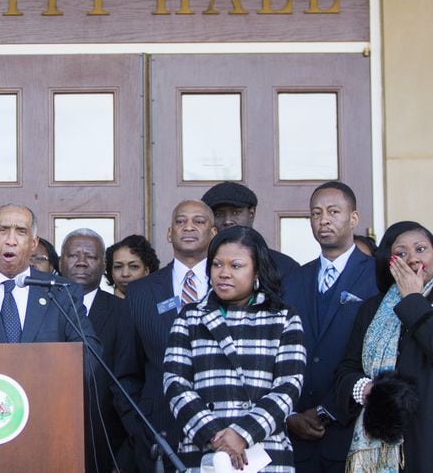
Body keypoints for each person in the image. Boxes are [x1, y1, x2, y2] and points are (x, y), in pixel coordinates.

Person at [164, 226, 306, 471]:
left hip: (264, 451)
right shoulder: (190, 317)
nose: (224, 273)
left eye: (236, 266)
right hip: (204, 451)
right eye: (217, 265)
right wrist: (216, 437)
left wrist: (242, 434)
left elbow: (289, 386)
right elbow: (175, 383)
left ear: (257, 270)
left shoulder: (283, 317)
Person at [114, 200, 217, 472]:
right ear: (170, 234)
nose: (189, 227)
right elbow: (125, 374)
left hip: (222, 433)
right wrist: (140, 427)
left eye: (199, 221)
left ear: (214, 233)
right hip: (159, 435)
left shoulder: (230, 286)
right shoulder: (140, 293)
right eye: (181, 221)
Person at [282, 181, 378, 473]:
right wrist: (290, 415)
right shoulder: (293, 279)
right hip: (297, 437)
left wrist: (329, 411)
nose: (323, 220)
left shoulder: (377, 275)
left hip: (355, 432)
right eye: (315, 213)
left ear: (353, 218)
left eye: (334, 211)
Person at [0, 203, 100, 359]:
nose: (11, 240)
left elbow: (88, 355)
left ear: (33, 243)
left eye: (21, 231)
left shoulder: (62, 292)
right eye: (3, 230)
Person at [334, 221, 433, 473]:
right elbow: (347, 370)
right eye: (401, 253)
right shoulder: (372, 308)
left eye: (421, 249)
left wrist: (413, 300)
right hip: (380, 435)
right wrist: (365, 390)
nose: (412, 259)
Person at [59, 229, 126, 473]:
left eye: (91, 256)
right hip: (50, 429)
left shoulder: (123, 311)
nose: (81, 262)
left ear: (104, 265)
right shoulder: (40, 307)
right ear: (60, 262)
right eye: (73, 255)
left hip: (108, 439)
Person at [201, 181, 300, 278]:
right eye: (219, 214)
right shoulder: (200, 265)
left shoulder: (283, 266)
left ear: (251, 213)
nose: (227, 221)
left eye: (236, 213)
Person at [104, 234, 160, 299]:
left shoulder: (163, 303)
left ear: (146, 271)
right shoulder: (99, 305)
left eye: (133, 267)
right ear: (111, 272)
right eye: (118, 267)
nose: (125, 274)